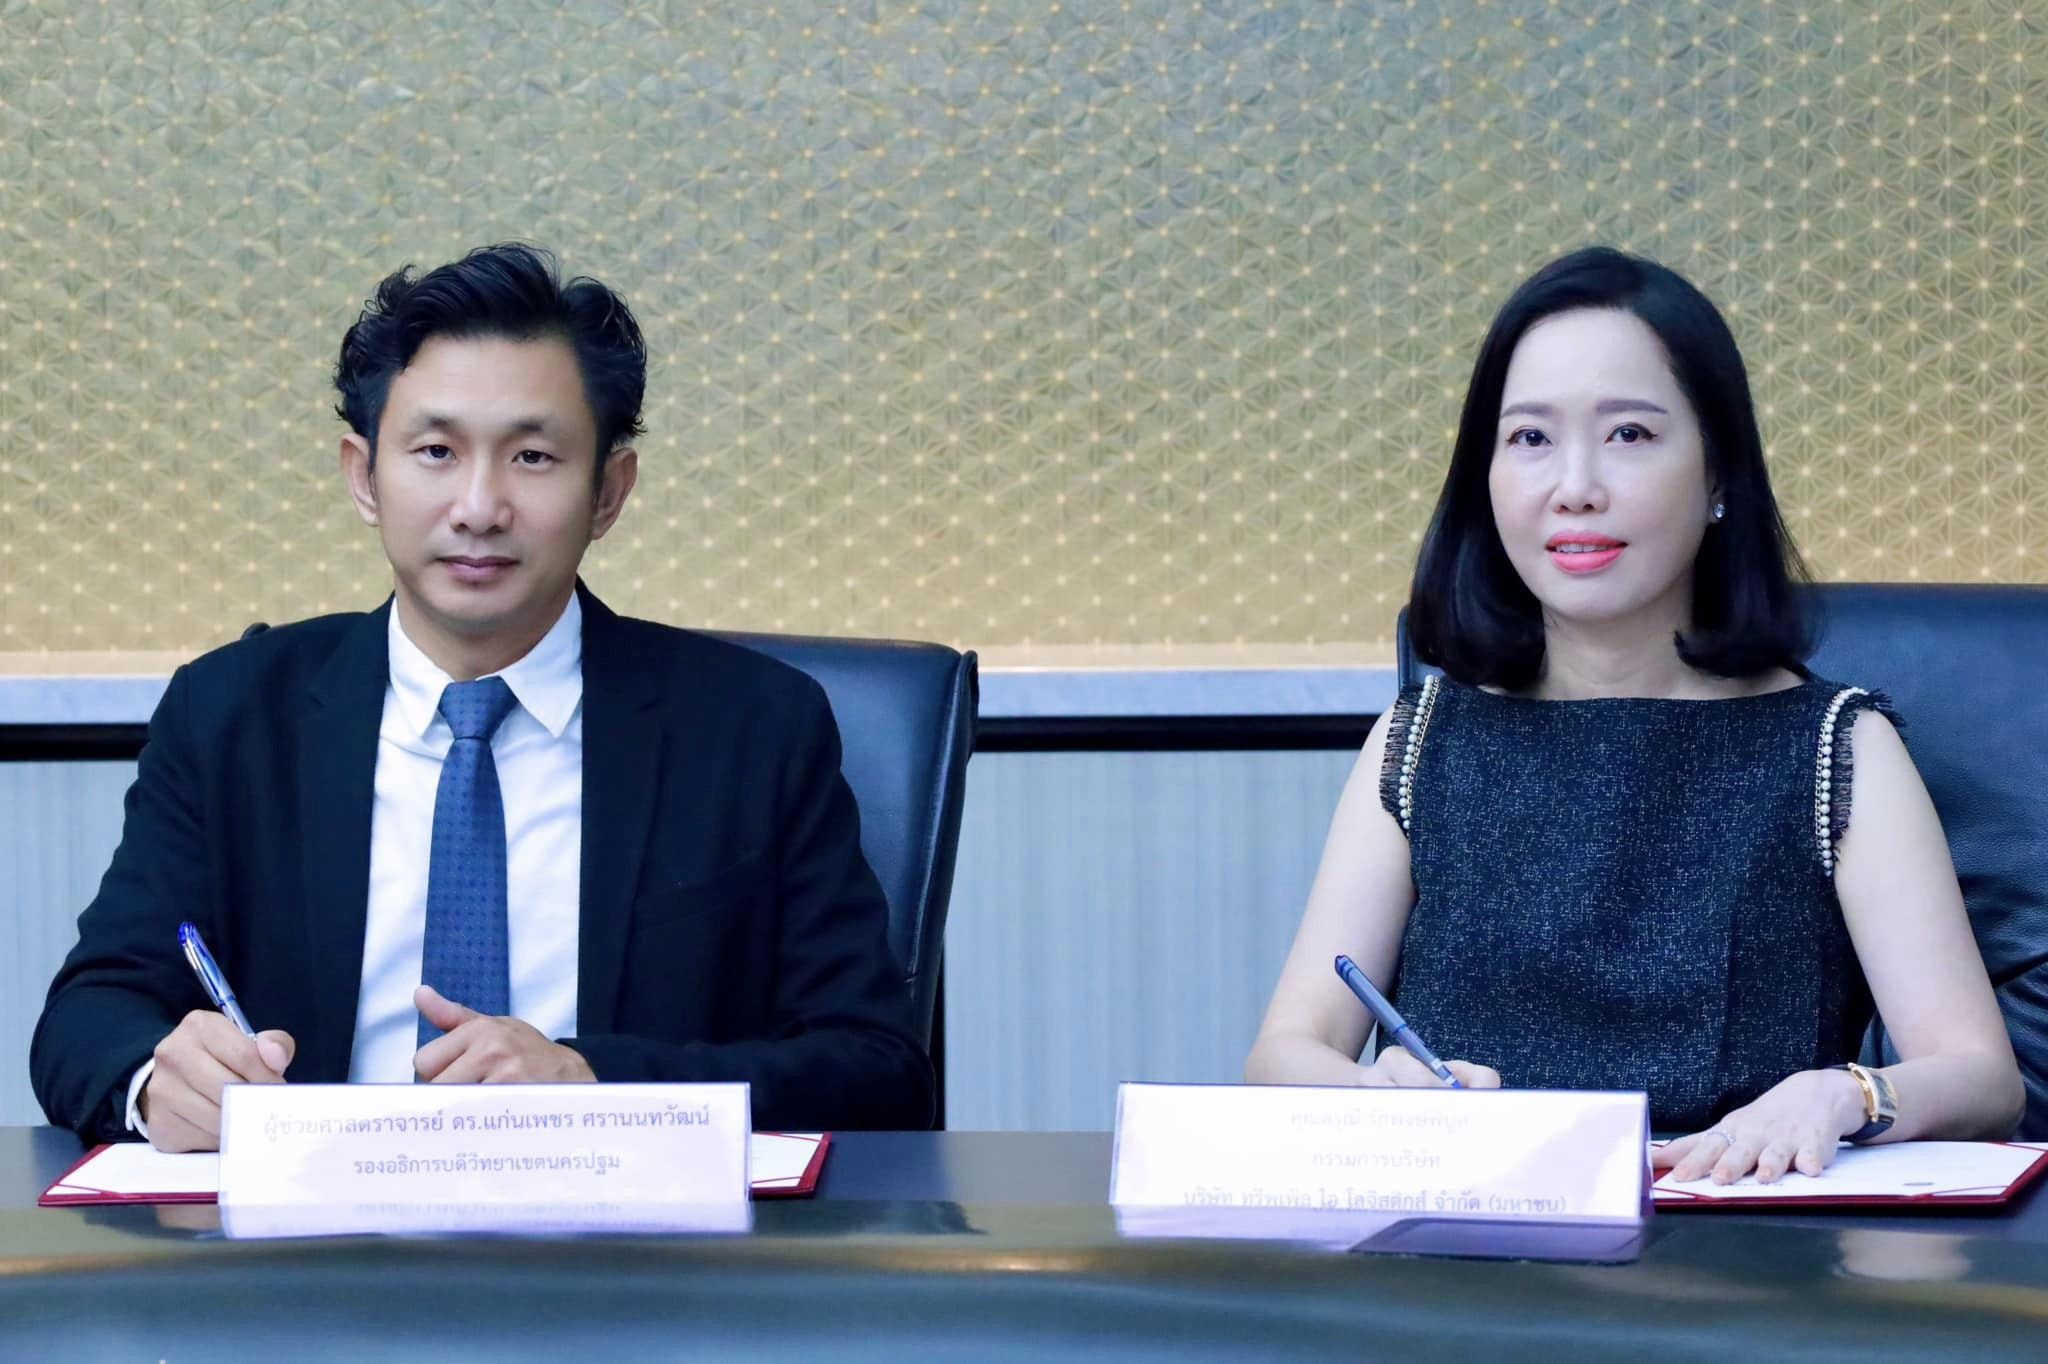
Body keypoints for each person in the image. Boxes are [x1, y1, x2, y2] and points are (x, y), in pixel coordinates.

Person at [31, 243, 932, 1150]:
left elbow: (874, 1066)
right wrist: (157, 1081)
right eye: (435, 452)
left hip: (621, 1228)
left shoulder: (753, 728)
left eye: (533, 456)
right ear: (363, 477)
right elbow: (90, 1013)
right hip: (316, 1226)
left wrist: (595, 1084)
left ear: (609, 492)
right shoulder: (231, 715)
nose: (479, 507)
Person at [1246, 246, 2022, 1184]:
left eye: (1629, 434)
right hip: (1467, 1235)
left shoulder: (1837, 747)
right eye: (1530, 439)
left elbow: (1982, 1077)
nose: (1575, 485)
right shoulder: (1420, 744)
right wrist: (1373, 1094)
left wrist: (1846, 1094)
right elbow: (1286, 1054)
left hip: (1741, 1235)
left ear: (1720, 475)